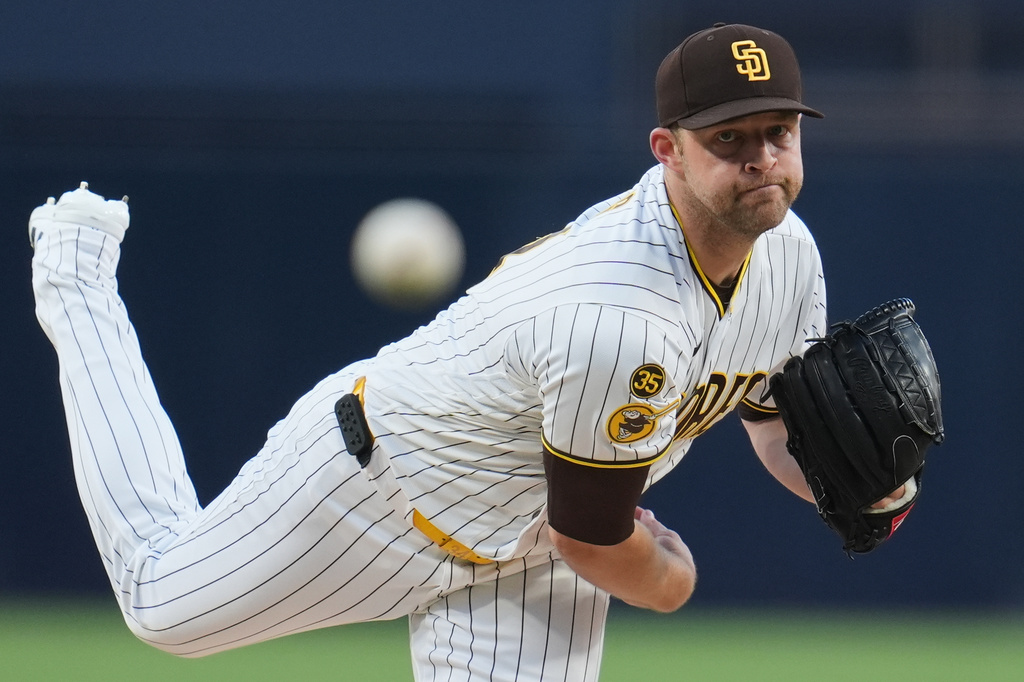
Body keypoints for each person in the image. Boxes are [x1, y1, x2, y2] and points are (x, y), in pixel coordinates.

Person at [28, 21, 907, 681]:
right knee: (159, 605)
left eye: (778, 134)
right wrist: (672, 579)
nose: (762, 161)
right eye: (729, 141)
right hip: (377, 492)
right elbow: (598, 539)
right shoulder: (618, 311)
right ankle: (77, 269)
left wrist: (870, 482)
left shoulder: (788, 252)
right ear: (666, 152)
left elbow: (767, 419)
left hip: (530, 543)